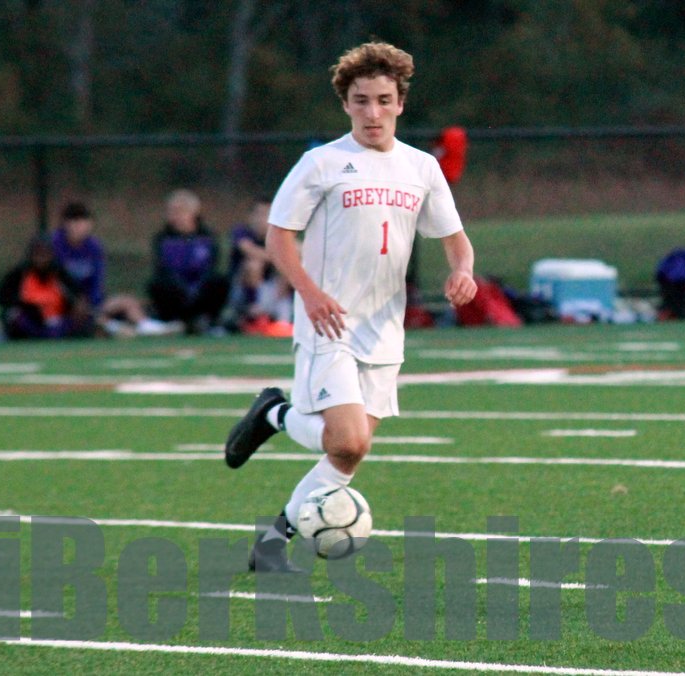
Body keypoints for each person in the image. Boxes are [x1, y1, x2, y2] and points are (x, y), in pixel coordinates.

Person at [222, 41, 477, 572]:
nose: (373, 113)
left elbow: (456, 239)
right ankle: (275, 414)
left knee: (348, 454)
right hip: (329, 321)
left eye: (383, 100)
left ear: (400, 102)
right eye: (361, 101)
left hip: (384, 329)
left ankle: (271, 542)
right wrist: (310, 294)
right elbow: (278, 237)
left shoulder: (421, 167)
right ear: (345, 104)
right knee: (349, 438)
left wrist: (463, 271)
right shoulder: (321, 163)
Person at [51, 201, 178, 337]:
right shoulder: (54, 245)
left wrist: (93, 303)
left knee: (128, 302)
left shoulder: (94, 247)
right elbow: (53, 281)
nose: (79, 227)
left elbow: (97, 281)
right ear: (65, 224)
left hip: (91, 304)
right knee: (93, 320)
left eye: (83, 222)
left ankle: (148, 327)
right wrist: (73, 302)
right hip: (63, 305)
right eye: (75, 223)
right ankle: (115, 329)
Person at [146, 189, 231, 334]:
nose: (175, 216)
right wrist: (182, 289)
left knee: (220, 282)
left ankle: (208, 321)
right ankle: (172, 322)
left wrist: (196, 290)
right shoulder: (162, 238)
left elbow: (211, 267)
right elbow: (162, 268)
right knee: (157, 284)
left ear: (194, 212)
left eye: (180, 211)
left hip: (200, 290)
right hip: (175, 291)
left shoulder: (208, 236)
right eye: (171, 212)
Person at [0, 234, 93, 339]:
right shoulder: (19, 274)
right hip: (29, 321)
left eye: (45, 254)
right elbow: (3, 299)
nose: (41, 259)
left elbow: (78, 297)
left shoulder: (60, 273)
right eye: (38, 254)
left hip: (56, 321)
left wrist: (79, 306)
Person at [226, 197, 295, 336]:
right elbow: (249, 250)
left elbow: (297, 251)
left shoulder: (279, 234)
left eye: (267, 214)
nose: (262, 219)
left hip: (274, 289)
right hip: (244, 289)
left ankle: (281, 317)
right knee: (254, 264)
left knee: (288, 268)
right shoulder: (242, 232)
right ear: (251, 216)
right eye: (259, 214)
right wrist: (279, 257)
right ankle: (255, 312)